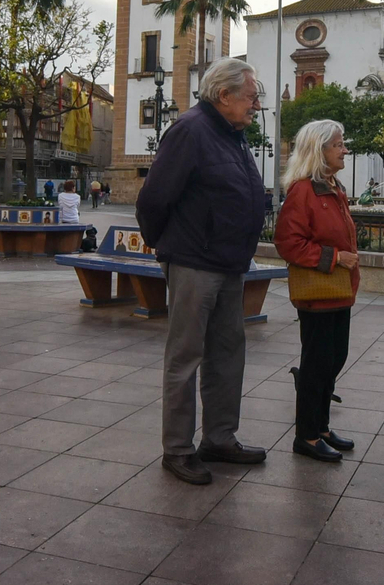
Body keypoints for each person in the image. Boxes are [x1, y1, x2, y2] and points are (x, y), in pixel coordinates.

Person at [136, 57, 268, 485]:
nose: (256, 105)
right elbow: (153, 199)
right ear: (224, 95)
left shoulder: (233, 135)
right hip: (194, 262)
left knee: (228, 355)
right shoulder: (191, 130)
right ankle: (177, 449)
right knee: (186, 358)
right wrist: (165, 247)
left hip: (229, 263)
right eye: (251, 97)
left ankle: (219, 439)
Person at [274, 119, 359, 463]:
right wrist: (335, 257)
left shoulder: (332, 187)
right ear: (319, 150)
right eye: (338, 144)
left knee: (334, 360)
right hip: (319, 292)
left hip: (339, 290)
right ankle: (306, 436)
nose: (344, 150)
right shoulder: (303, 191)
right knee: (317, 363)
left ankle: (321, 427)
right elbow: (288, 242)